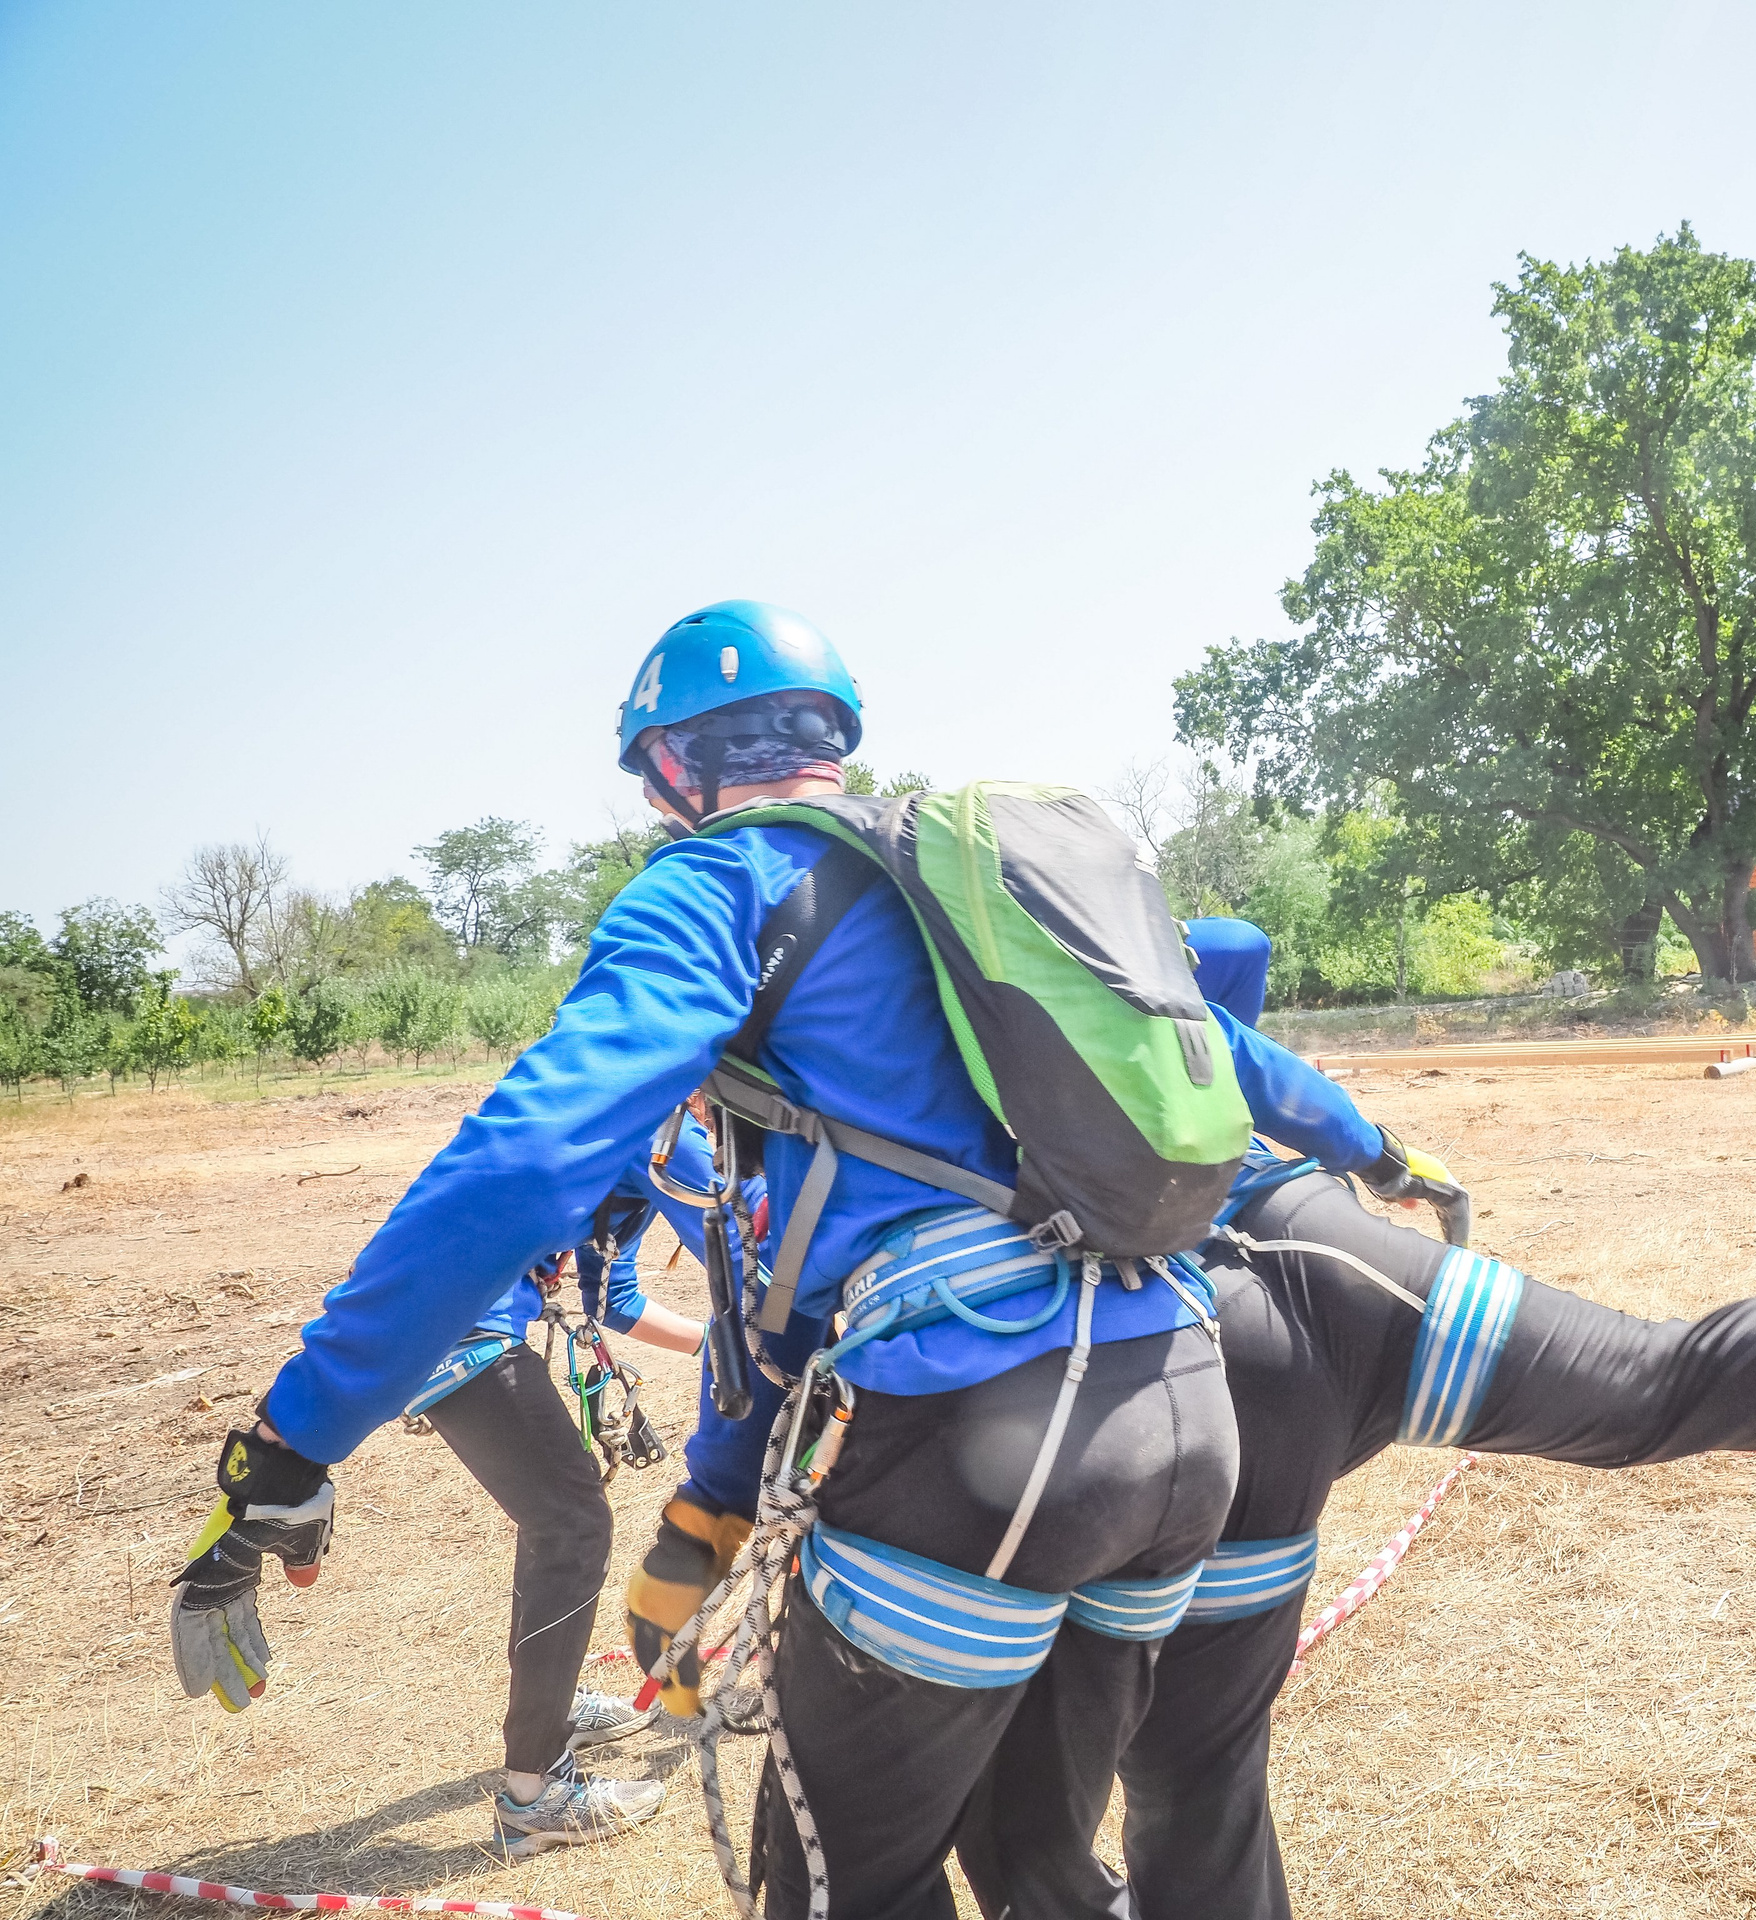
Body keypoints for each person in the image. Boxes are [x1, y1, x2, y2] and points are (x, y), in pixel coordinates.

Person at [166, 599, 1457, 1920]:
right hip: (1167, 1408)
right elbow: (1213, 1045)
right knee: (1051, 1857)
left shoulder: (719, 881)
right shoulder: (957, 877)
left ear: (673, 767)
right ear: (834, 738)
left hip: (947, 1454)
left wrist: (294, 1437)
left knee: (840, 1868)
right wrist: (1372, 1143)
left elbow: (531, 1168)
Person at [944, 937, 1756, 1920]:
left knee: (1147, 1771)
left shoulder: (986, 1033)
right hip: (1343, 1262)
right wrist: (1395, 1163)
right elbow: (1304, 1096)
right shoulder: (1185, 1011)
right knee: (1668, 1379)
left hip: (1169, 1347)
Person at [398, 1124, 716, 1856]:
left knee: (559, 1524)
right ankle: (535, 1797)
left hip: (445, 1313)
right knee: (573, 1528)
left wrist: (712, 1346)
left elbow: (619, 1298)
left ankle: (554, 1705)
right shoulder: (669, 1123)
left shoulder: (636, 1121)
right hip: (464, 1325)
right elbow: (756, 1268)